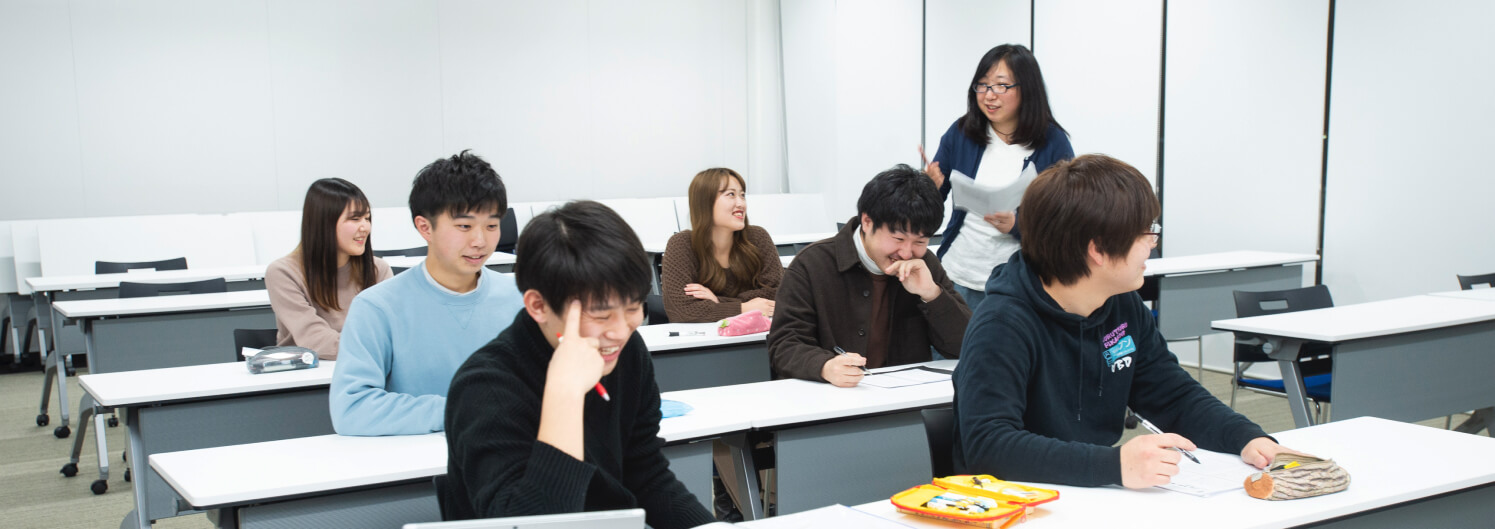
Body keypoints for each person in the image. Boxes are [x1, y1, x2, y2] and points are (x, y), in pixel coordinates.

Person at [952, 154, 1299, 488]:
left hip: (1092, 493)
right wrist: (1113, 465)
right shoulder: (1003, 323)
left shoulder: (1121, 305)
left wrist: (1248, 437)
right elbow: (989, 447)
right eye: (1145, 233)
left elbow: (1171, 396)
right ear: (1098, 250)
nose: (1152, 244)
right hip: (1015, 504)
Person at [442, 201, 714, 528]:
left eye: (633, 308)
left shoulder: (627, 351)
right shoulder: (485, 386)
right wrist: (565, 394)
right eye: (600, 315)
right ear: (538, 306)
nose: (620, 331)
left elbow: (646, 475)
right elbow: (530, 523)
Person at [329, 150, 524, 436]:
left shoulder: (522, 298)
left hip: (511, 457)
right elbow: (352, 408)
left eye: (492, 226)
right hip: (420, 468)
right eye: (464, 226)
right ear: (424, 227)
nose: (480, 241)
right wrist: (463, 410)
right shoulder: (377, 308)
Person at [768, 164, 970, 387]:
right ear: (867, 222)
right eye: (898, 239)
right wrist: (824, 366)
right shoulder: (812, 264)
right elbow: (784, 345)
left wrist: (932, 295)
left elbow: (966, 346)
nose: (906, 253)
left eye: (920, 242)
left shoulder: (924, 266)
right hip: (830, 400)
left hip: (904, 401)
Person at [922, 43, 1074, 309]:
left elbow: (1065, 218)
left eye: (1001, 86)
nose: (989, 96)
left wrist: (1017, 225)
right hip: (958, 273)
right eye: (982, 85)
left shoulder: (1053, 143)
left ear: (1027, 89)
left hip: (1018, 283)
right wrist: (929, 189)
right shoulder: (961, 133)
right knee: (951, 350)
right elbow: (927, 214)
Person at [266, 178, 393, 360]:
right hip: (305, 379)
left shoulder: (377, 269)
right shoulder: (283, 273)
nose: (365, 227)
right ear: (323, 223)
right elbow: (315, 340)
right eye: (355, 219)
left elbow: (392, 331)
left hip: (368, 370)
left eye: (367, 218)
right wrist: (376, 346)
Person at [661, 168, 782, 322]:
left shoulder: (757, 238)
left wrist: (719, 302)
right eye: (731, 194)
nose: (741, 203)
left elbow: (777, 293)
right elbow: (681, 311)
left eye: (742, 195)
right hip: (707, 340)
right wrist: (743, 308)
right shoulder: (682, 245)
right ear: (705, 202)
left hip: (757, 334)